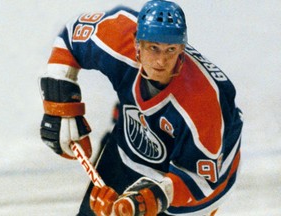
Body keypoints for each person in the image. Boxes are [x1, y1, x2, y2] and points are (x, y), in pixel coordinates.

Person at [39, 0, 243, 215]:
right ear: (138, 44)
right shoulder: (119, 37)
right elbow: (71, 38)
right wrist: (58, 101)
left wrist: (154, 197)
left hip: (196, 183)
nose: (161, 61)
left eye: (170, 50)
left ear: (181, 50)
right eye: (153, 48)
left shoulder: (203, 103)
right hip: (131, 149)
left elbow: (200, 181)